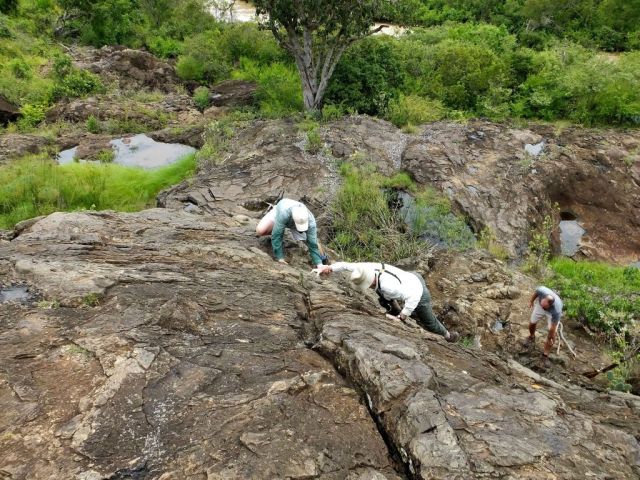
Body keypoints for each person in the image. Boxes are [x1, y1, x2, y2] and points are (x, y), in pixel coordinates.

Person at [316, 262, 459, 342]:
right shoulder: (365, 269)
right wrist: (330, 268)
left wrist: (401, 317)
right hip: (410, 277)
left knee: (429, 322)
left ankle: (448, 335)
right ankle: (396, 309)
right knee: (385, 296)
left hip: (419, 292)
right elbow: (346, 265)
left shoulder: (388, 287)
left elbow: (414, 296)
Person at [256, 198, 323, 268]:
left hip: (298, 221)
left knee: (313, 242)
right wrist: (280, 258)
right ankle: (279, 228)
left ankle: (323, 259)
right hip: (281, 213)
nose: (301, 231)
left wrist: (319, 265)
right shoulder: (283, 213)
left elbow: (312, 244)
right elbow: (277, 235)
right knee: (260, 231)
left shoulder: (311, 221)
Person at [525, 286, 563, 368]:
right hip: (540, 305)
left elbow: (553, 328)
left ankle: (545, 355)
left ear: (550, 305)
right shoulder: (542, 291)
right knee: (532, 322)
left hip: (551, 314)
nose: (543, 307)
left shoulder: (556, 310)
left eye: (544, 306)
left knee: (551, 335)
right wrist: (531, 301)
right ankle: (531, 336)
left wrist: (552, 337)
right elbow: (536, 292)